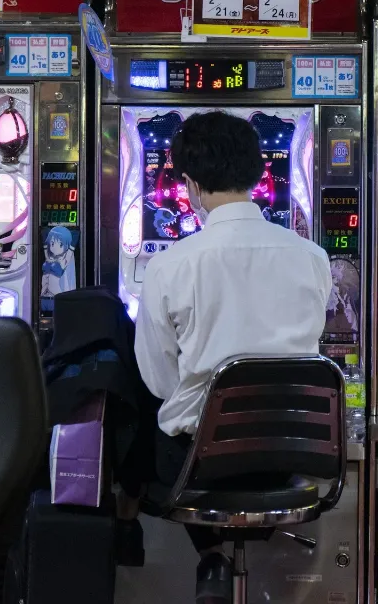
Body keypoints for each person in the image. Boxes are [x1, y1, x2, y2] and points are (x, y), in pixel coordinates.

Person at [116, 111, 331, 604]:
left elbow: (158, 380)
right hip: (294, 455)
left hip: (200, 465)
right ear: (260, 174)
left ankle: (202, 551)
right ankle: (219, 559)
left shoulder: (170, 265)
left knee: (131, 411)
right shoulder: (314, 258)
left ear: (189, 183)